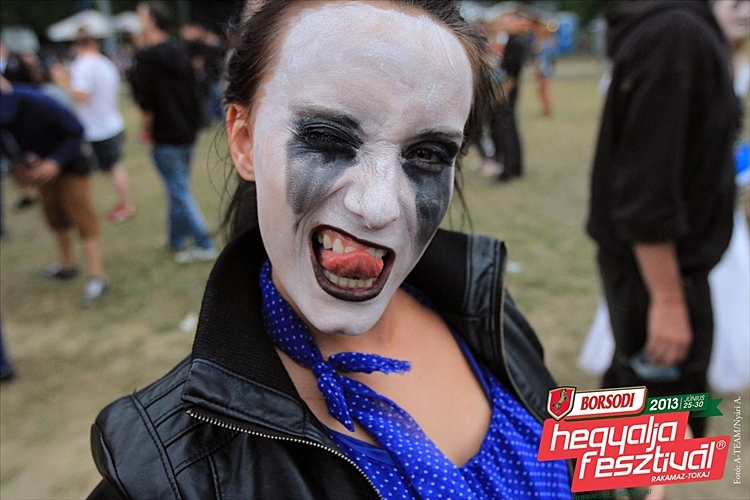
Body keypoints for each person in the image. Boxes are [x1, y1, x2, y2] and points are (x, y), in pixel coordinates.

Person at [87, 1, 573, 498]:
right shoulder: (163, 475)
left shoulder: (485, 306)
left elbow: (594, 466)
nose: (378, 207)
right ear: (244, 141)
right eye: (325, 137)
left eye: (427, 153)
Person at [586, 0, 739, 444]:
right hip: (661, 274)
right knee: (660, 440)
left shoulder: (677, 29)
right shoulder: (675, 35)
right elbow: (646, 189)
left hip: (661, 273)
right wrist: (668, 302)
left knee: (638, 421)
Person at [0, 76, 109, 304]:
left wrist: (55, 161)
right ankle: (67, 265)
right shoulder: (7, 117)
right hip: (41, 171)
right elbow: (10, 145)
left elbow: (76, 131)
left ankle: (97, 276)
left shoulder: (38, 102)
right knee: (56, 218)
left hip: (70, 166)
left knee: (83, 218)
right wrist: (24, 161)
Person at [130, 1, 216, 263]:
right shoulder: (180, 51)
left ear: (151, 21)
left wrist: (146, 132)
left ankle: (204, 242)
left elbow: (146, 104)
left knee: (179, 190)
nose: (137, 21)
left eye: (140, 16)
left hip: (166, 135)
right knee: (177, 186)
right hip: (187, 133)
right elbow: (196, 92)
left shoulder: (146, 58)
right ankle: (176, 239)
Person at [54, 29, 136, 224]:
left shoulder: (83, 65)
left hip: (98, 128)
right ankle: (124, 202)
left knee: (113, 168)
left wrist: (63, 83)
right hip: (112, 122)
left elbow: (83, 95)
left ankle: (126, 205)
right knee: (114, 166)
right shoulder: (104, 62)